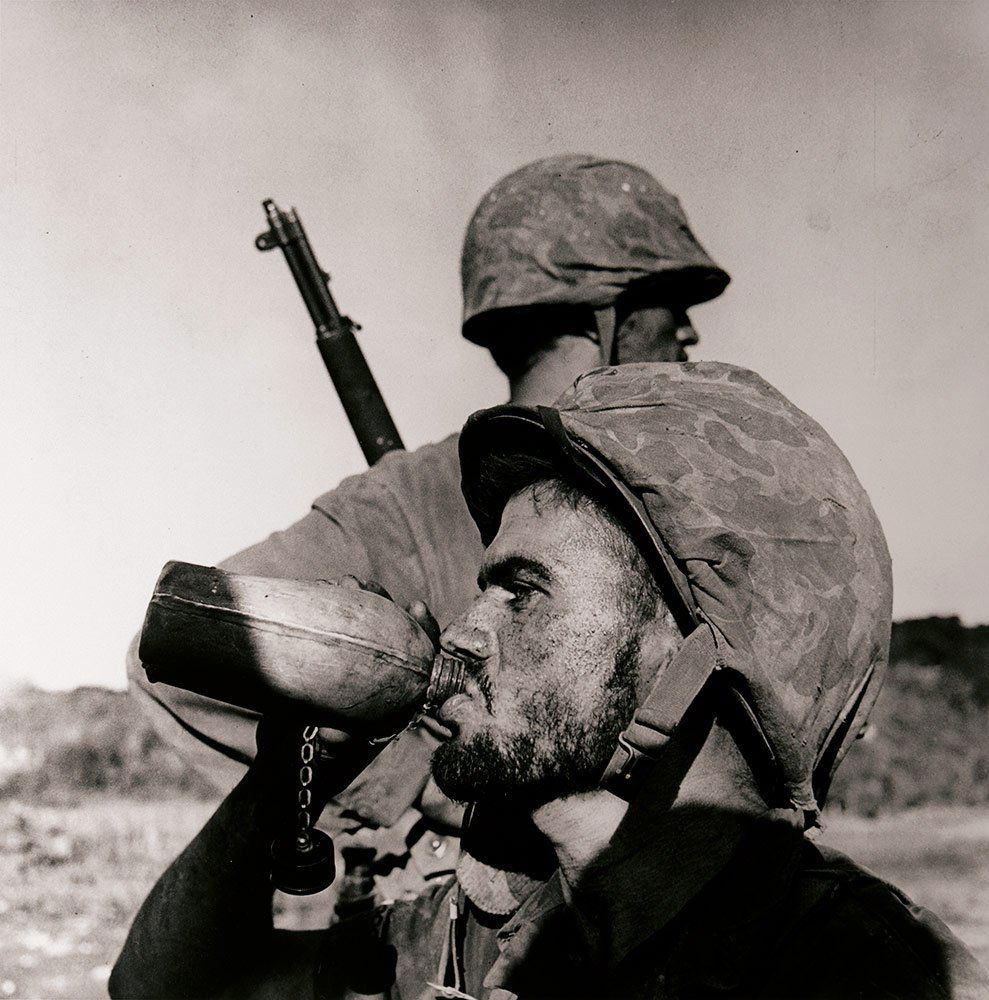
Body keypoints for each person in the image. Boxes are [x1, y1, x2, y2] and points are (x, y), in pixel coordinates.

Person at [112, 362, 989, 999]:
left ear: (692, 650)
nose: (461, 628)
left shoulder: (870, 973)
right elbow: (168, 990)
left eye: (521, 593)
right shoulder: (476, 924)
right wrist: (285, 779)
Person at [127, 155, 730, 903]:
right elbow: (185, 635)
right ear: (595, 314)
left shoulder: (682, 491)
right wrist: (415, 776)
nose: (686, 326)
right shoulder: (411, 501)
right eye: (663, 299)